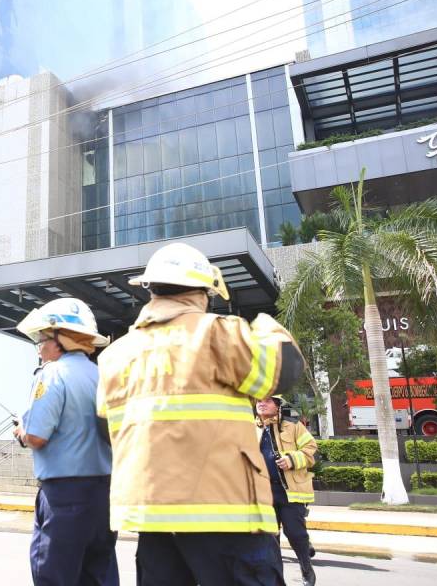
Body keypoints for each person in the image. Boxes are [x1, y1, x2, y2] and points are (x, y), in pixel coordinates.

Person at [97, 243, 305, 586]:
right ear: (203, 292)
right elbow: (285, 370)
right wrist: (267, 325)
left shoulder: (115, 356)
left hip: (153, 522)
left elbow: (109, 432)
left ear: (150, 290)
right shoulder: (219, 333)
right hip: (227, 518)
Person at [13, 298, 118, 586]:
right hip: (104, 493)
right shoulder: (102, 375)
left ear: (61, 340)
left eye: (43, 338)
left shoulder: (52, 374)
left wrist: (21, 431)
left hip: (64, 496)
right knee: (99, 573)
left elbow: (36, 436)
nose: (40, 346)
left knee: (55, 575)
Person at [256, 395, 318, 586]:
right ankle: (276, 580)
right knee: (270, 538)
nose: (261, 403)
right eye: (258, 400)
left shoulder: (293, 426)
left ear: (277, 406)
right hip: (263, 493)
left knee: (295, 533)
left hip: (290, 492)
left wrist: (291, 460)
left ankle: (306, 569)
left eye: (267, 400)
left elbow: (311, 449)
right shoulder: (250, 428)